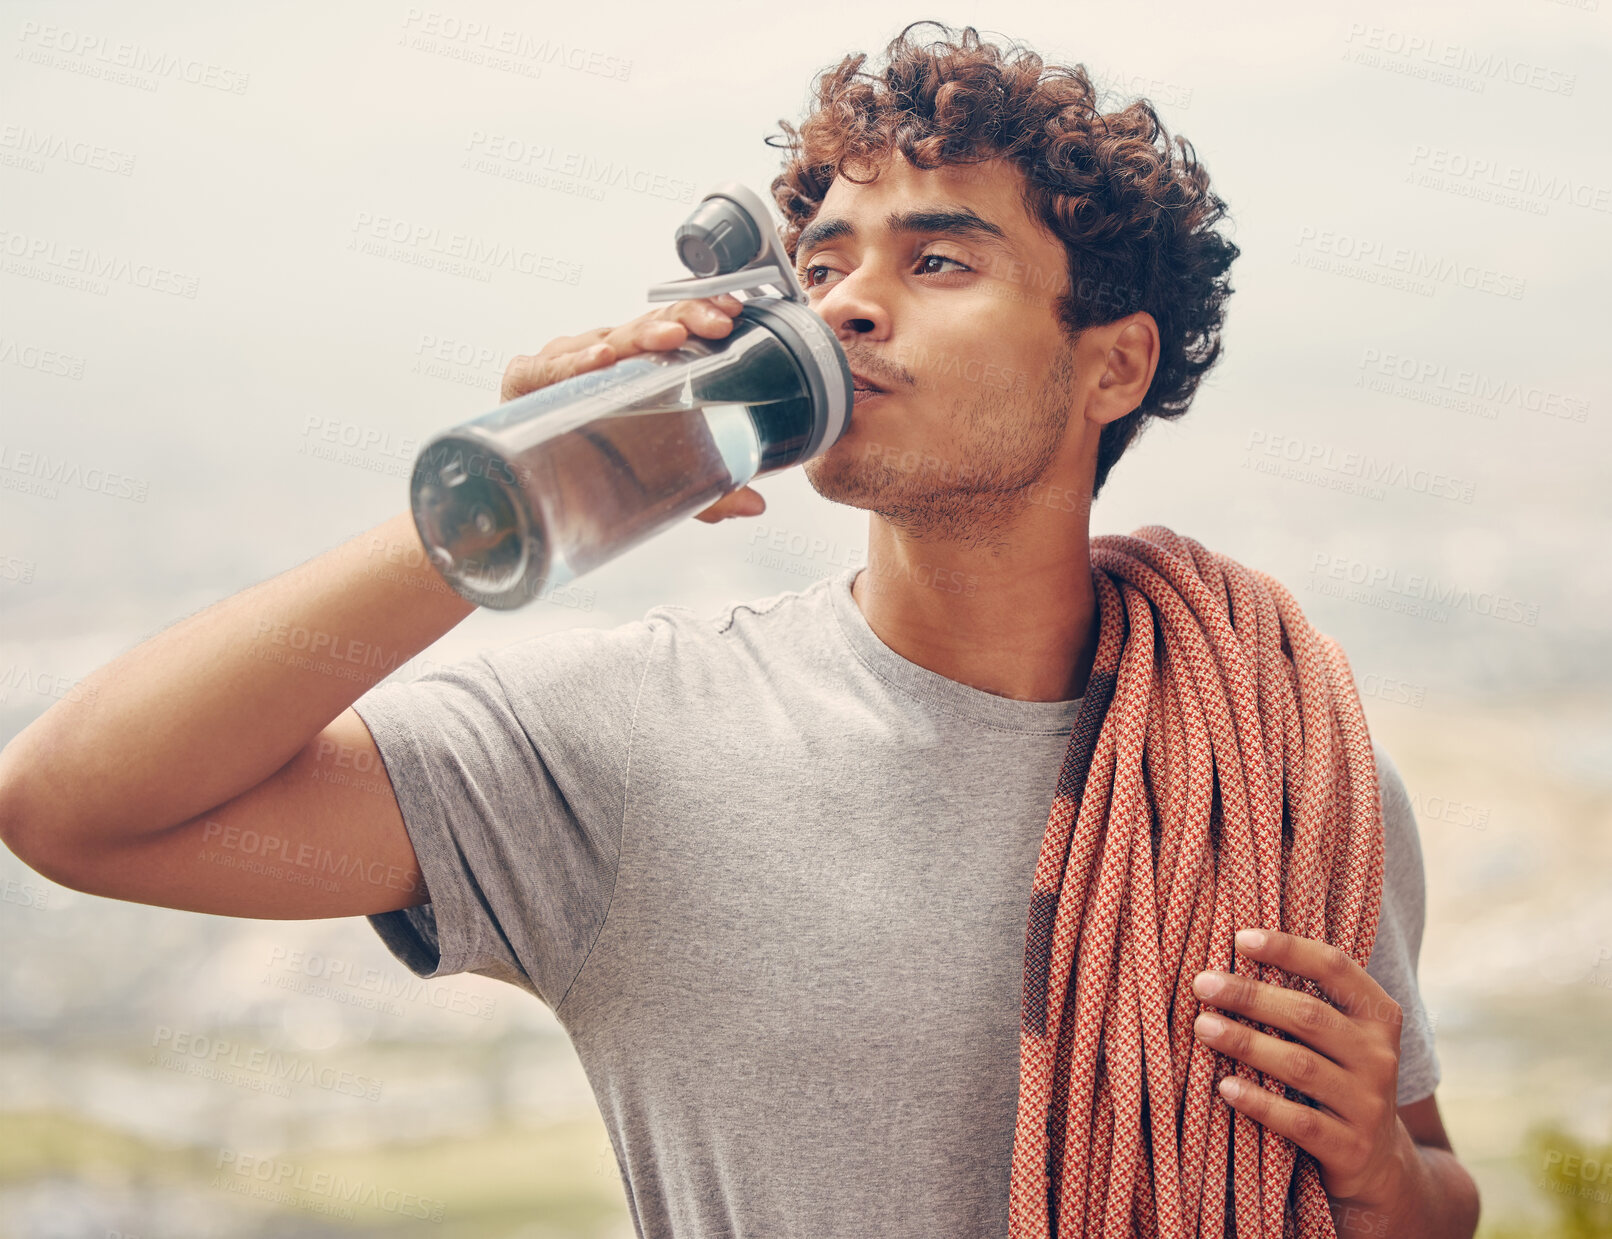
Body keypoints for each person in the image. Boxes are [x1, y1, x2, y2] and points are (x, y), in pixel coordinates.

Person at [0, 20, 1478, 1239]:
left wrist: (1382, 1175)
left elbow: (1433, 1199)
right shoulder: (636, 745)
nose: (847, 308)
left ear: (1112, 365)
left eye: (938, 262)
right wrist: (521, 484)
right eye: (822, 265)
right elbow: (79, 808)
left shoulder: (1272, 764)